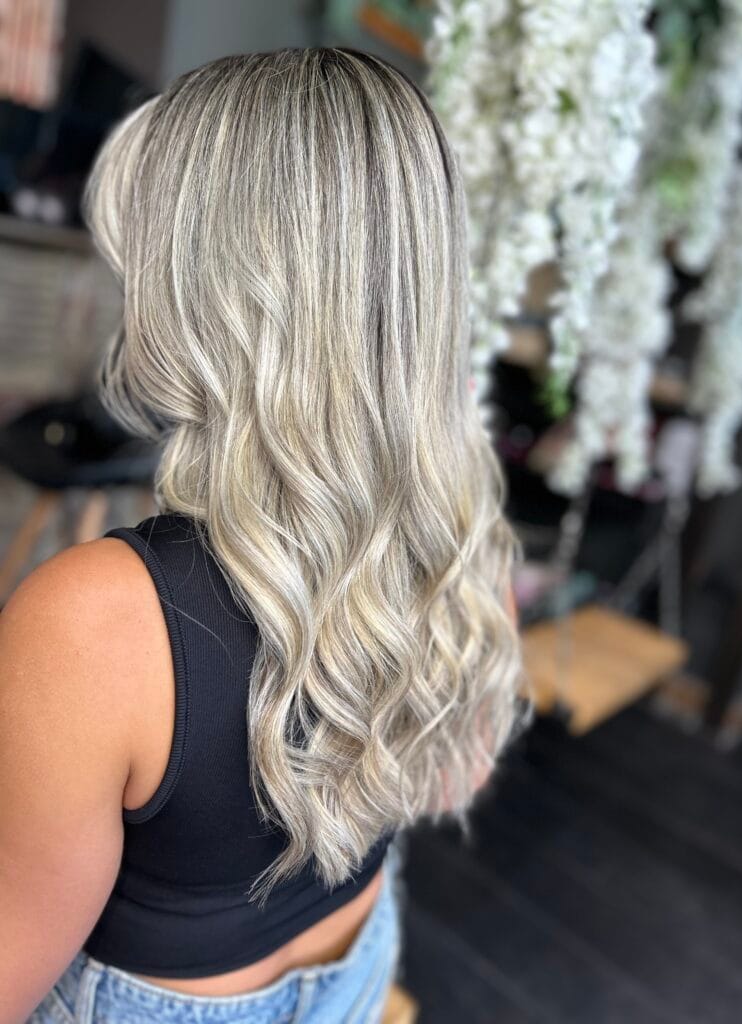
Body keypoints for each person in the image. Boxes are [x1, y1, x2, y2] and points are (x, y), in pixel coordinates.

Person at [0, 46, 525, 1024]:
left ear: (206, 294)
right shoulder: (464, 527)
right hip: (357, 965)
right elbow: (458, 773)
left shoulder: (92, 622)